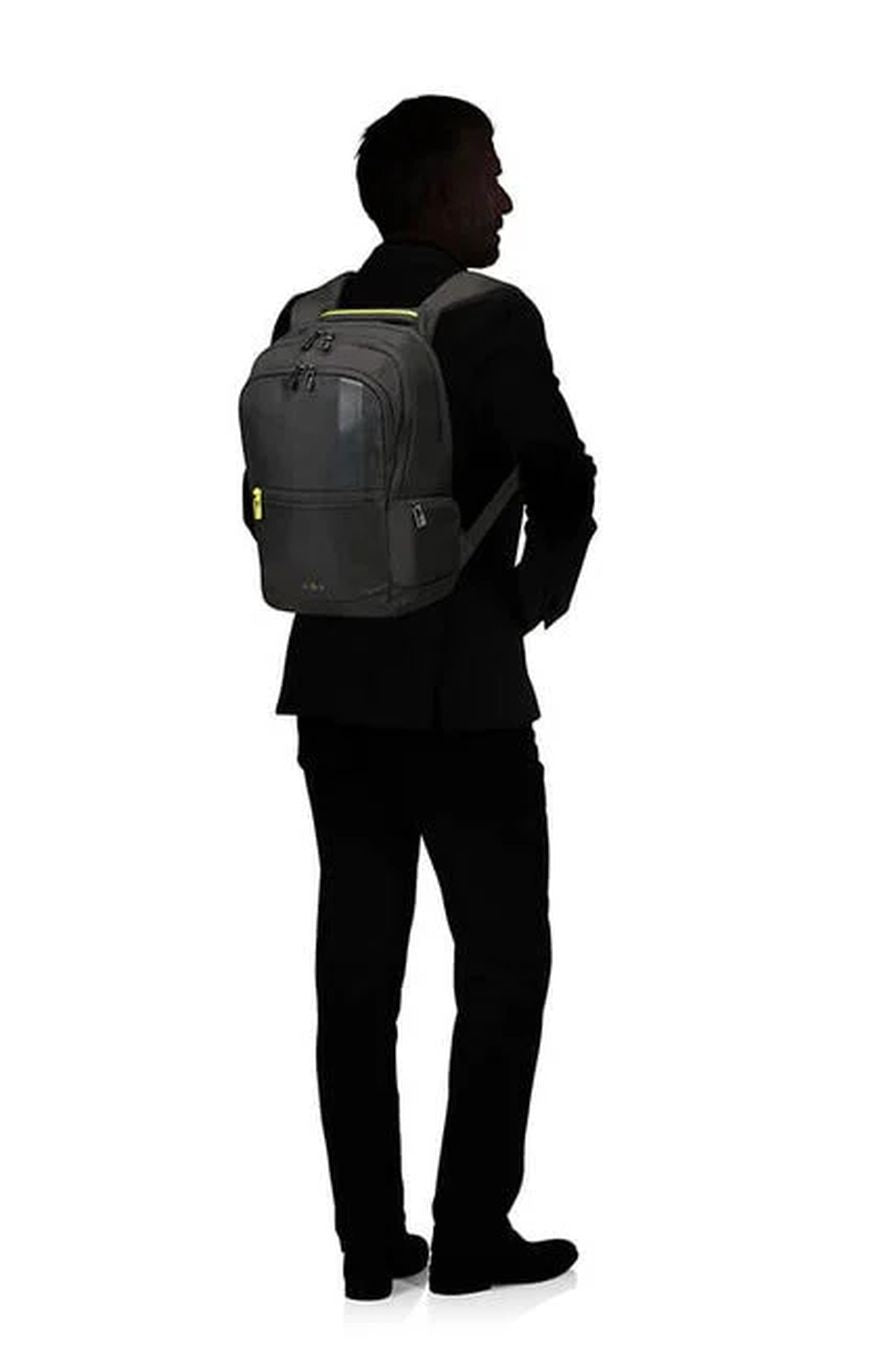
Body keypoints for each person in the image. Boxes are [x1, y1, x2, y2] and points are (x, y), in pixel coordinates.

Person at [242, 95, 597, 1300]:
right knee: (501, 962)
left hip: (330, 688)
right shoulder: (491, 315)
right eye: (490, 174)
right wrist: (527, 603)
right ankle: (471, 1233)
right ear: (440, 193)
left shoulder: (307, 318)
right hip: (464, 696)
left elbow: (269, 501)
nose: (505, 198)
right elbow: (562, 473)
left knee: (355, 970)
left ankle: (366, 1244)